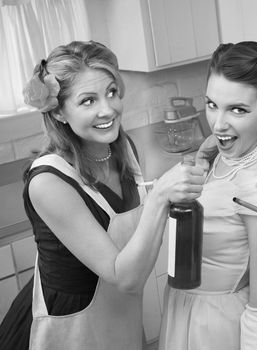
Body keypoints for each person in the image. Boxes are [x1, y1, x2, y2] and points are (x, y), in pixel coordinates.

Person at [0, 40, 206, 350]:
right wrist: (161, 196)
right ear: (58, 113)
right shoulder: (48, 183)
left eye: (111, 92)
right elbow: (124, 277)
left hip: (118, 316)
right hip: (67, 326)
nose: (107, 109)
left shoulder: (122, 150)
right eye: (88, 101)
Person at [158, 41, 257, 350]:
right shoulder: (219, 153)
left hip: (222, 329)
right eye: (212, 104)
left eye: (238, 109)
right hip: (185, 313)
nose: (218, 123)